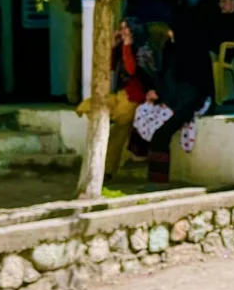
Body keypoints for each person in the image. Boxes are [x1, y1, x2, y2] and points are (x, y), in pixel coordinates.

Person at [127, 28, 214, 183]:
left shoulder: (196, 55)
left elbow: (193, 90)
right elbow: (166, 79)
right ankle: (140, 157)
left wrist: (168, 102)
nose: (170, 37)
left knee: (161, 134)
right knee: (143, 113)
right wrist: (157, 94)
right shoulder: (172, 50)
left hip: (189, 103)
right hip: (171, 99)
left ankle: (157, 180)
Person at [76, 19, 148, 179]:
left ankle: (106, 171)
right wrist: (114, 45)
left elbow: (131, 69)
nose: (123, 32)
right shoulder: (120, 48)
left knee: (117, 133)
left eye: (126, 29)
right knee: (113, 129)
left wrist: (127, 46)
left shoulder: (142, 49)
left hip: (134, 97)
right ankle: (105, 171)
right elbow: (106, 67)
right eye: (121, 29)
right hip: (122, 94)